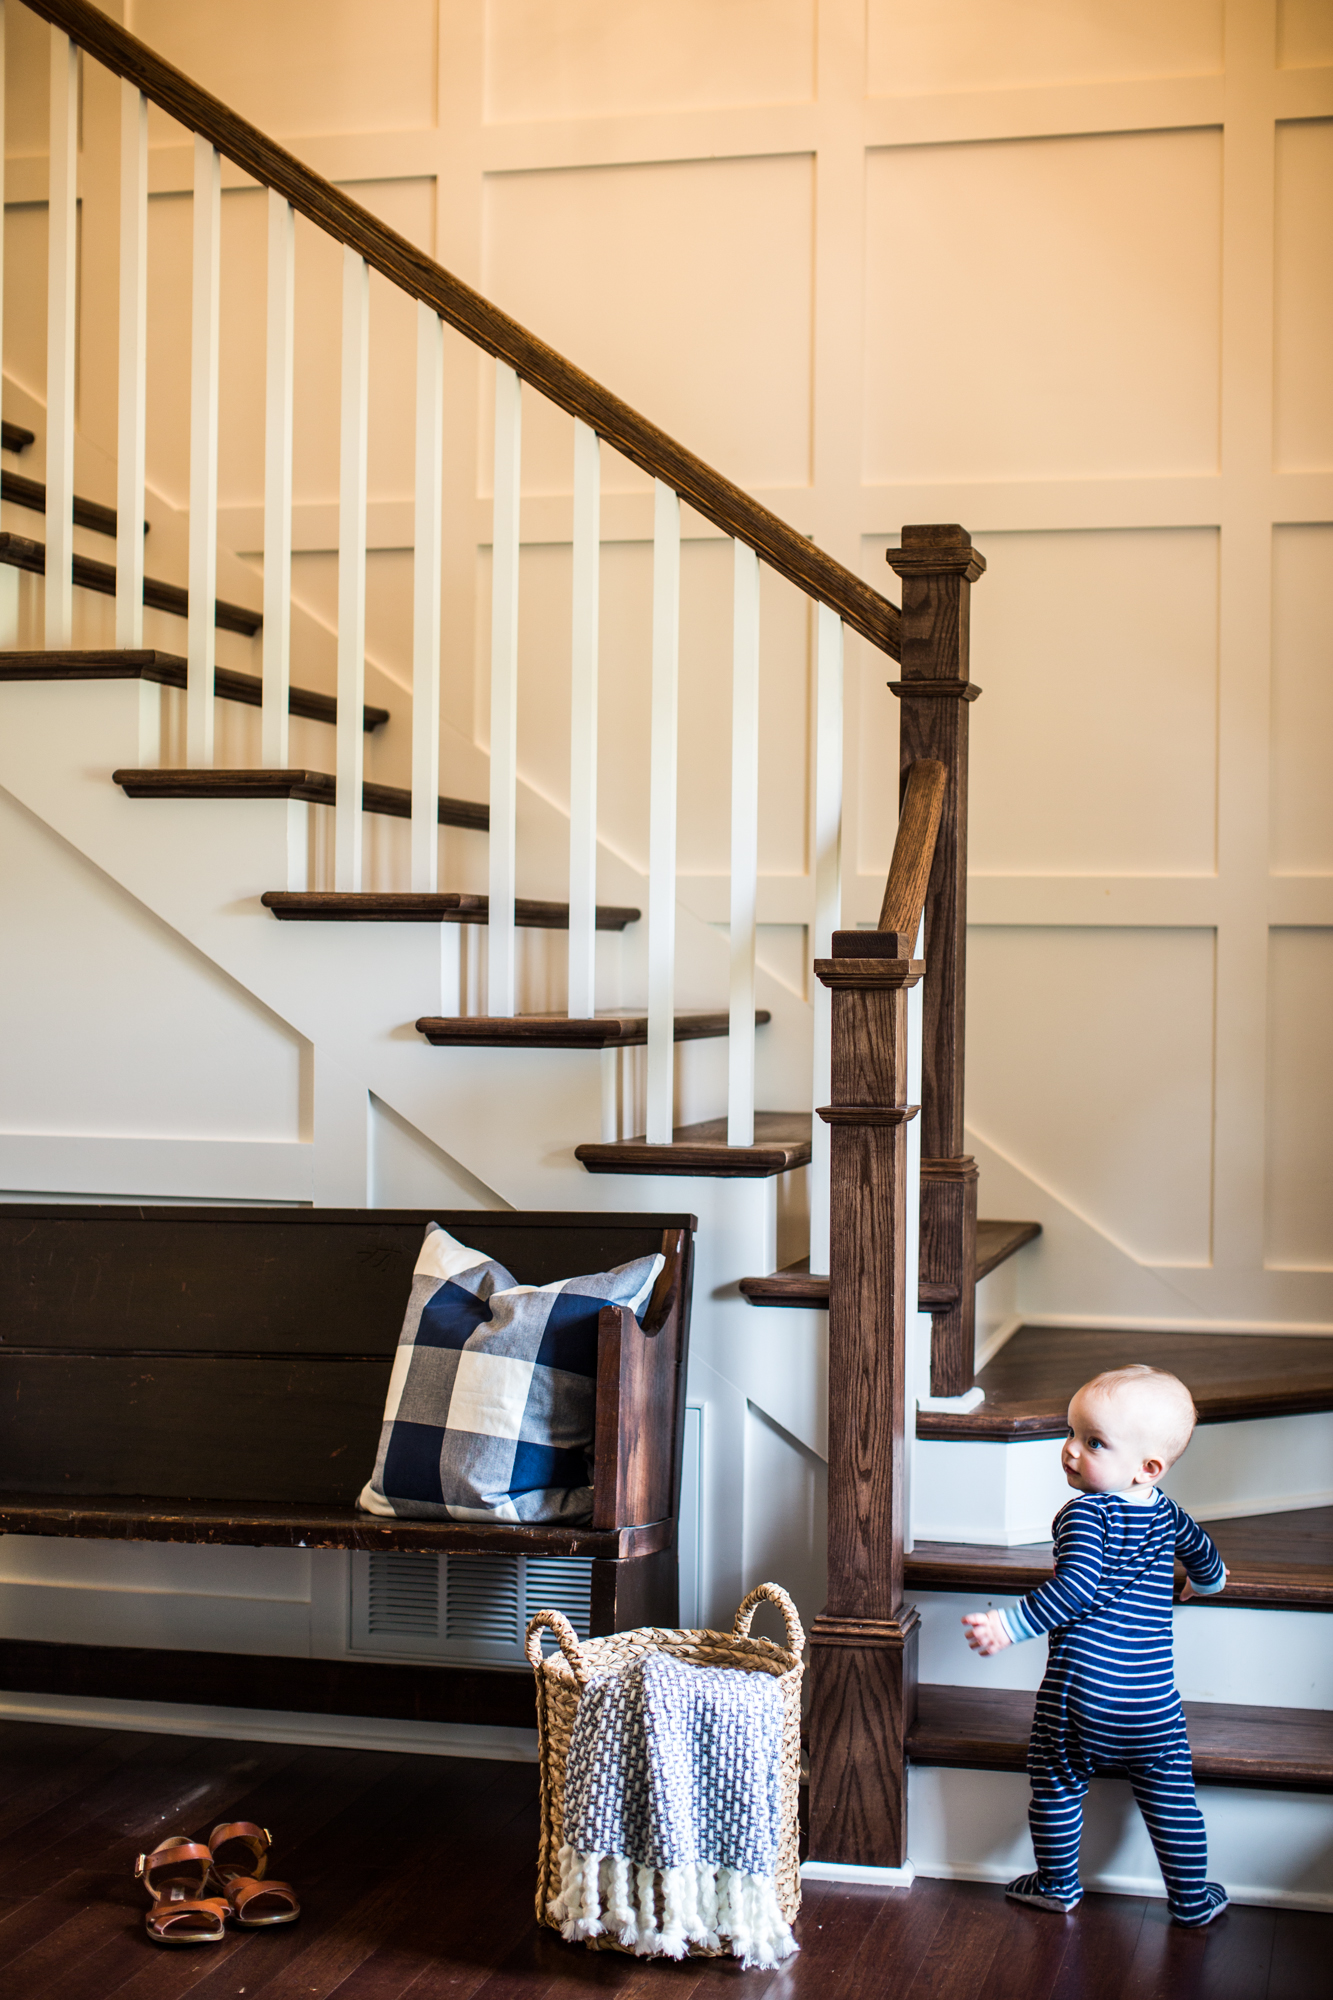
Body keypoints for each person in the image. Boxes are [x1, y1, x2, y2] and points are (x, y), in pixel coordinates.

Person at [962, 1363, 1229, 1927]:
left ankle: (1058, 1885)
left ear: (1146, 1467)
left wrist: (1009, 1626)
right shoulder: (1167, 1511)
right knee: (1172, 1799)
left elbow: (1077, 1586)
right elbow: (1207, 1559)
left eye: (1093, 1442)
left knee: (1056, 1783)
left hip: (1083, 1691)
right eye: (1071, 1433)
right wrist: (1203, 1585)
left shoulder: (1085, 1512)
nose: (1070, 1451)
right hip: (1153, 1699)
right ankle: (1191, 1899)